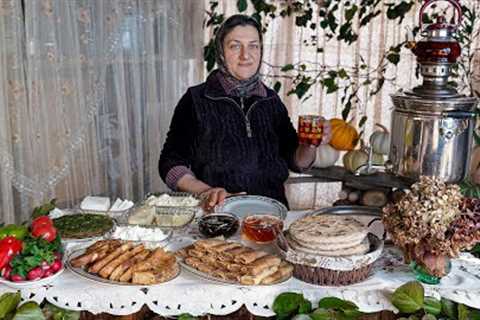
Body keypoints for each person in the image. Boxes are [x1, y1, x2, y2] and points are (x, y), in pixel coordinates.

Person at [159, 14, 330, 211]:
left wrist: (309, 144)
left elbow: (297, 162)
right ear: (221, 52)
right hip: (219, 214)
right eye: (235, 46)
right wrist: (207, 191)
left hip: (272, 215)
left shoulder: (270, 100)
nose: (245, 55)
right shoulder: (197, 99)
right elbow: (170, 163)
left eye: (253, 46)